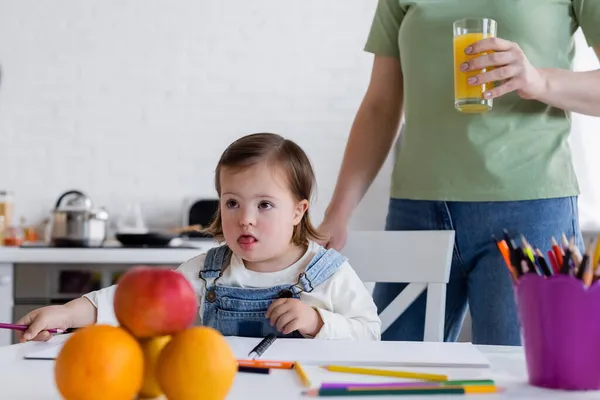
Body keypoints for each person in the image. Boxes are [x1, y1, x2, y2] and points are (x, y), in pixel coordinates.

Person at [318, 1, 600, 345]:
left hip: (529, 213)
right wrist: (338, 212)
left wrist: (540, 81)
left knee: (515, 380)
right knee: (393, 375)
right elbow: (381, 102)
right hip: (418, 210)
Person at [18, 133, 381, 342]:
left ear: (298, 212)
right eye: (232, 203)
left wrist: (318, 323)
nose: (246, 219)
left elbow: (370, 334)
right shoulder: (209, 271)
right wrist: (66, 312)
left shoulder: (328, 273)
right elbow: (133, 301)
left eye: (265, 205)